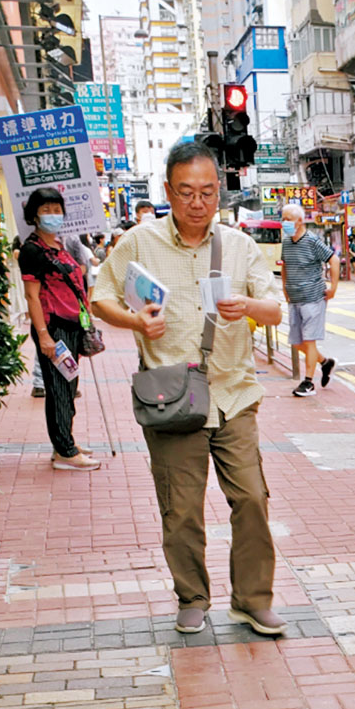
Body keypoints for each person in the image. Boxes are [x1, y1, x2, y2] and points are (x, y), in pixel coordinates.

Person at [92, 141, 286, 637]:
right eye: (186, 192)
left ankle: (251, 599)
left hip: (233, 394)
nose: (197, 202)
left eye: (206, 191)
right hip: (172, 397)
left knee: (251, 500)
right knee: (181, 509)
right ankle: (192, 597)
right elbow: (100, 298)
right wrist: (134, 320)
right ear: (167, 192)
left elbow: (274, 308)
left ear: (218, 191)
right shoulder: (139, 242)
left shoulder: (240, 246)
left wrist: (246, 305)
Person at [18, 188, 99, 471]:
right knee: (59, 390)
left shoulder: (59, 245)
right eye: (46, 210)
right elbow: (32, 296)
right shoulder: (32, 250)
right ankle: (65, 451)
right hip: (54, 330)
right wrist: (43, 335)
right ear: (34, 215)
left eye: (56, 209)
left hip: (72, 326)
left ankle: (65, 442)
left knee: (69, 386)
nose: (53, 215)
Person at [280, 203, 339, 397]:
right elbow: (285, 266)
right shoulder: (287, 242)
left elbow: (334, 259)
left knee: (309, 340)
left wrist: (333, 288)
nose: (284, 222)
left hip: (313, 297)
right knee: (297, 342)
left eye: (288, 219)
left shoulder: (312, 241)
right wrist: (284, 288)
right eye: (283, 218)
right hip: (294, 298)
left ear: (299, 220)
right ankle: (325, 362)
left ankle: (308, 382)